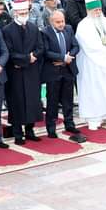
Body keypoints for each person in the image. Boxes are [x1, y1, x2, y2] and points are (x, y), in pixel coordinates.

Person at [75, 0, 106, 130]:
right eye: (95, 10)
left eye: (99, 9)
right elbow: (89, 45)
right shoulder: (83, 26)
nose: (97, 12)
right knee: (94, 90)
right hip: (92, 63)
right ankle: (94, 118)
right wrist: (105, 51)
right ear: (88, 10)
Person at [2, 0, 44, 145]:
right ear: (15, 14)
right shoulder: (7, 30)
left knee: (32, 101)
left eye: (26, 13)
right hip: (16, 72)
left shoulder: (33, 28)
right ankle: (18, 133)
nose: (24, 16)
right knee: (17, 102)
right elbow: (9, 52)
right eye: (21, 13)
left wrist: (32, 57)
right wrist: (26, 58)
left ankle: (30, 130)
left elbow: (40, 47)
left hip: (31, 71)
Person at [40, 10, 85, 142]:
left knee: (68, 99)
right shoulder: (45, 32)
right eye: (58, 22)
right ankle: (51, 127)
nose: (61, 24)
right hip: (53, 71)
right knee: (52, 101)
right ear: (51, 22)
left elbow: (76, 46)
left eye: (62, 21)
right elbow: (46, 51)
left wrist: (69, 56)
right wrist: (63, 57)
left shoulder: (69, 29)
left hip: (68, 69)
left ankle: (69, 123)